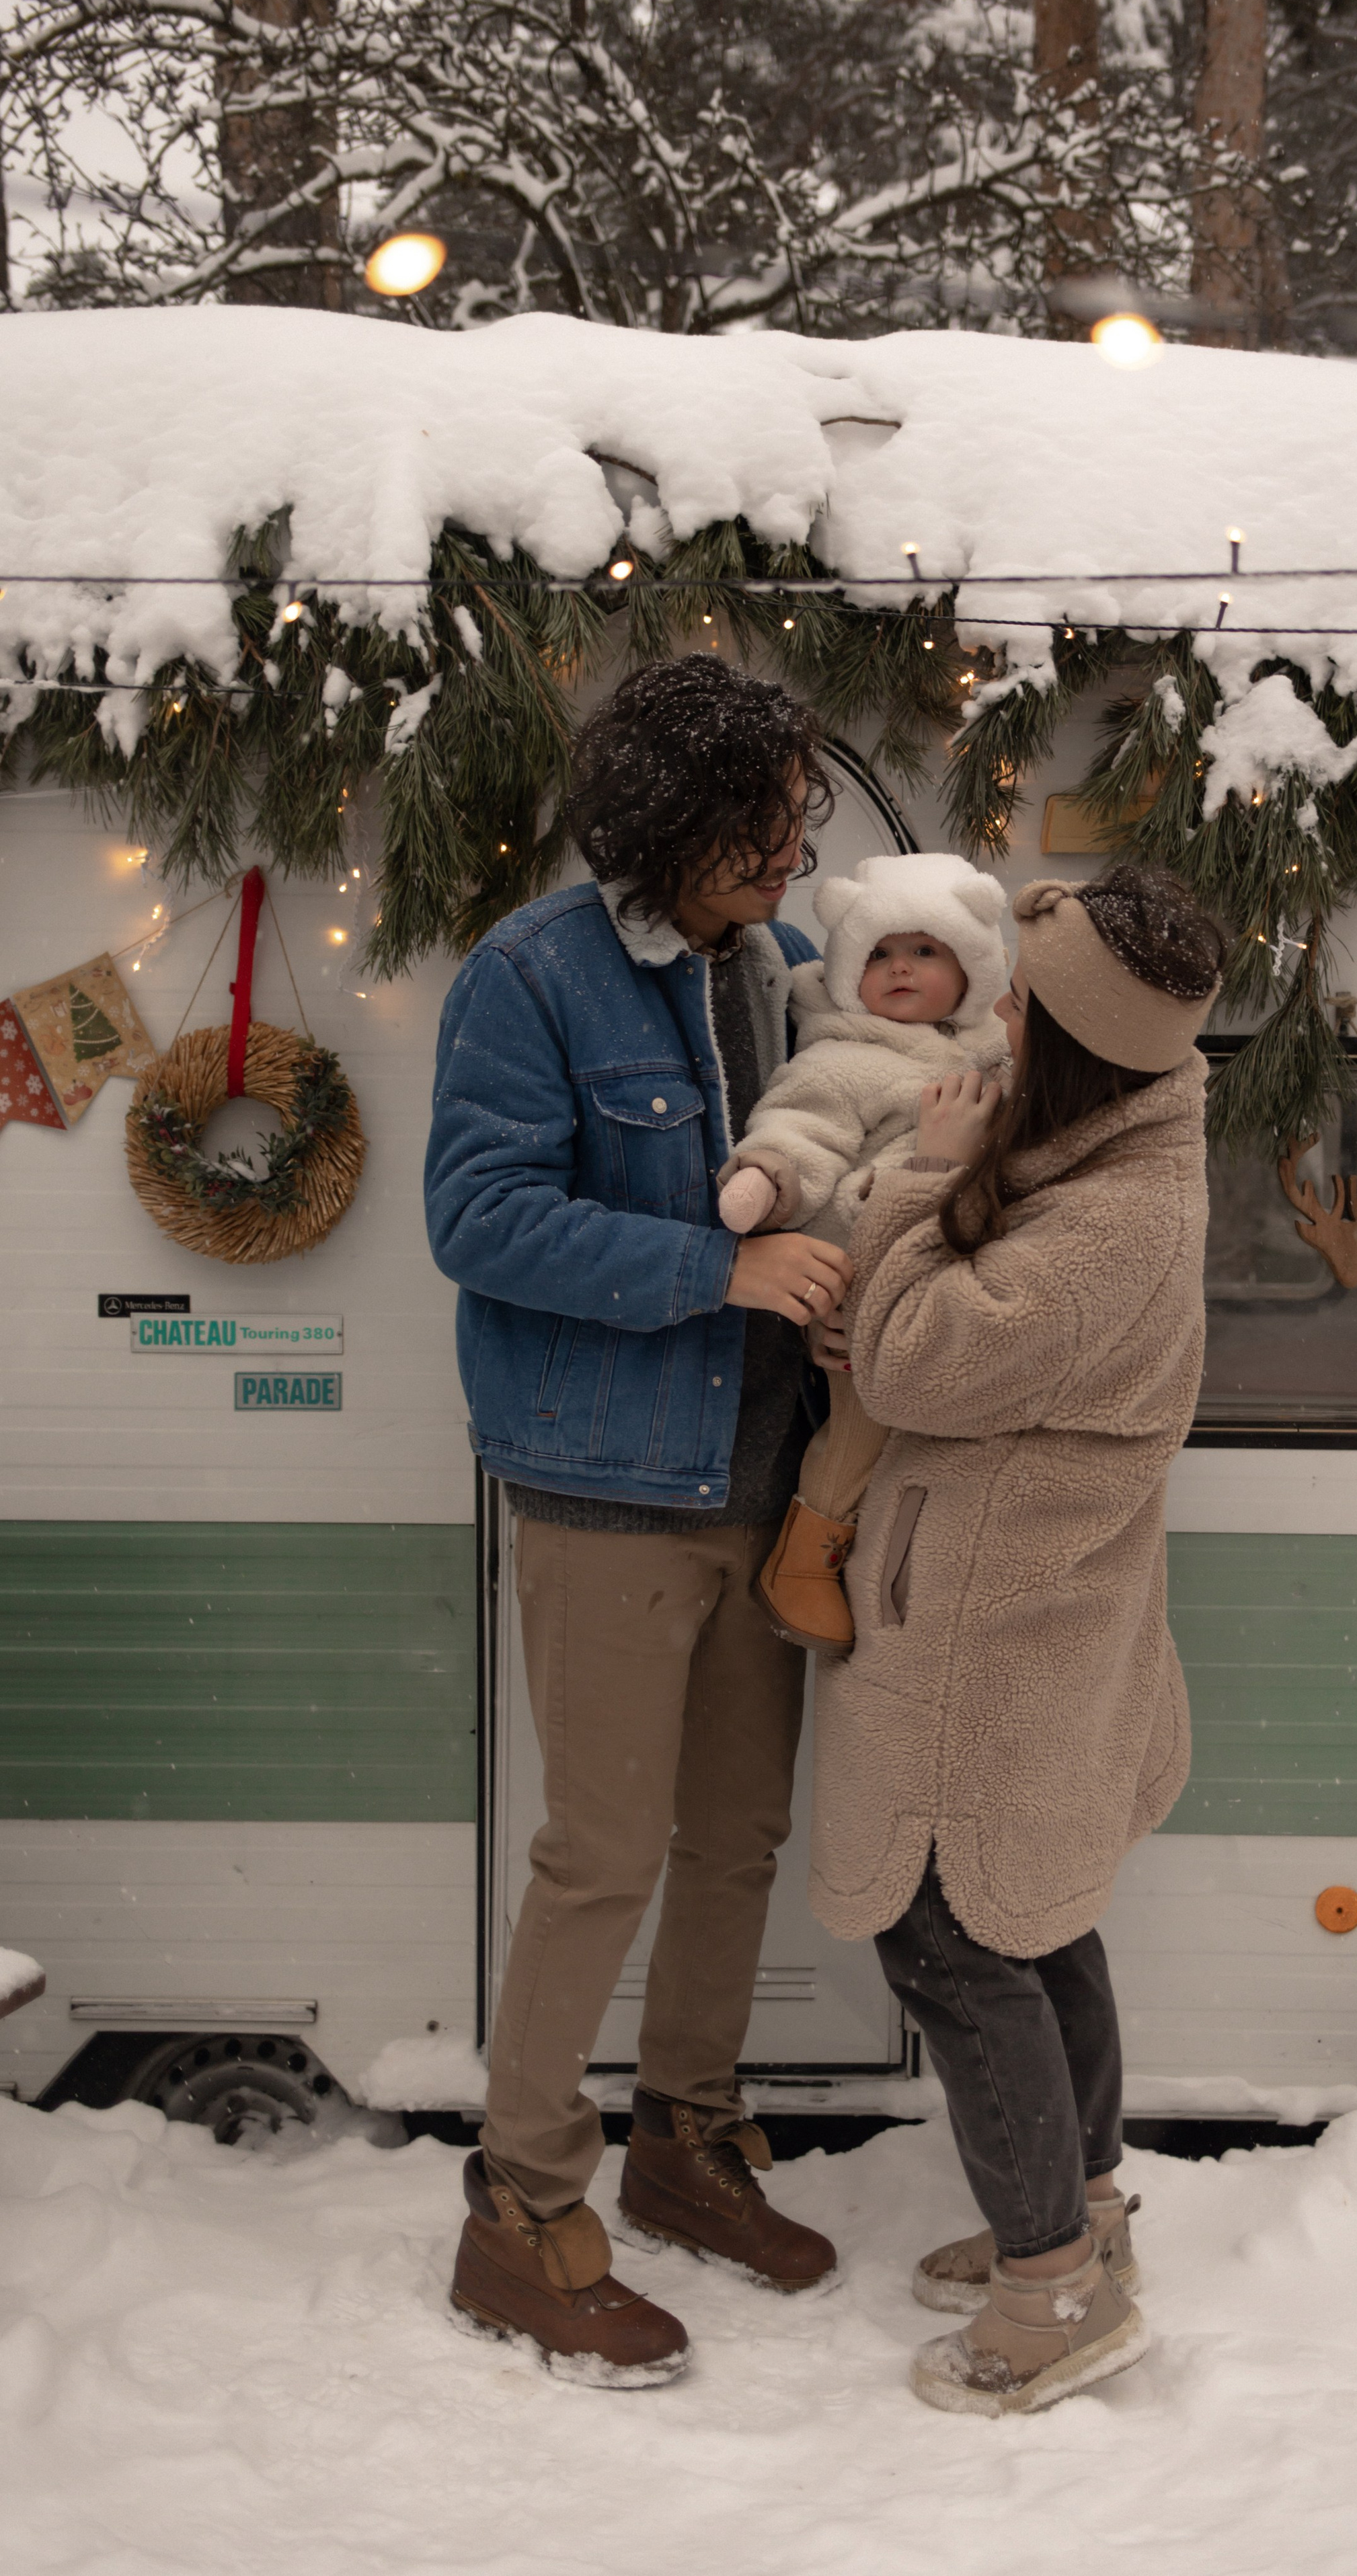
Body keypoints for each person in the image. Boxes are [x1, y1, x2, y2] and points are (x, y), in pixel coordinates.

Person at [424, 656, 851, 2388]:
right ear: (667, 814)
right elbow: (479, 1216)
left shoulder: (791, 972)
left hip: (773, 1490)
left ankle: (684, 2139)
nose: (786, 851)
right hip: (606, 1487)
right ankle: (517, 2208)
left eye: (796, 816)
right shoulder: (531, 972)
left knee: (736, 1836)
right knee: (598, 1854)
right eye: (756, 819)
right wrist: (717, 1267)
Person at [806, 863, 1227, 2417]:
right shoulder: (1106, 1142)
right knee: (1034, 1914)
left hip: (994, 1631)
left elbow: (918, 1356)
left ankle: (1049, 2288)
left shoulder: (1114, 1215)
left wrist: (919, 1180)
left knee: (953, 1931)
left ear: (1073, 1034)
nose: (995, 1011)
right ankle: (1085, 2208)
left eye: (1022, 999)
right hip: (1031, 1612)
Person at [714, 852, 1011, 1651]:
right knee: (863, 1422)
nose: (899, 969)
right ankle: (806, 1560)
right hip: (863, 1276)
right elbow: (800, 1127)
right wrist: (768, 1179)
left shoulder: (994, 1055)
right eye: (879, 954)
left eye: (923, 951)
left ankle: (871, 1553)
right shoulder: (843, 1055)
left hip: (947, 1279)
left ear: (970, 969)